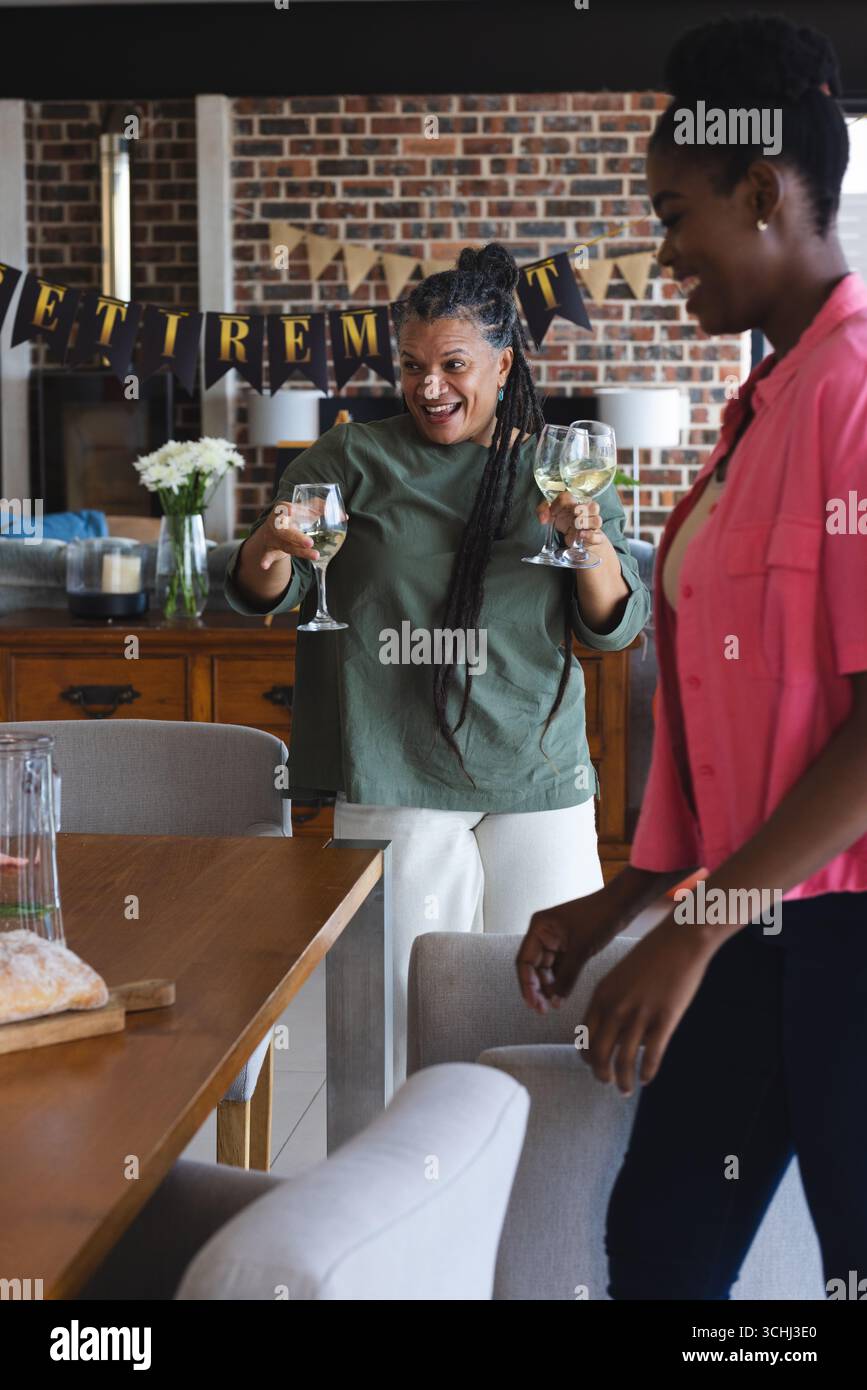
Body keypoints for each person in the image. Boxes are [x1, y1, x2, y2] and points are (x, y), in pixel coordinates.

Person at [517, 13, 867, 1301]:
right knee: (662, 1252)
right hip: (754, 923)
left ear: (764, 192)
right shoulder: (758, 413)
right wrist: (629, 899)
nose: (662, 255)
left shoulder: (858, 398)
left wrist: (695, 927)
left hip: (842, 938)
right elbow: (743, 727)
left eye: (675, 216)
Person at [225, 243, 650, 1082]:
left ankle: (533, 1187)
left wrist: (589, 542)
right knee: (389, 1025)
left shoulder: (557, 465)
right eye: (413, 366)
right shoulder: (351, 459)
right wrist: (271, 545)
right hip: (397, 771)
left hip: (534, 773)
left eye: (453, 365)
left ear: (500, 364)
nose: (430, 387)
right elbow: (261, 590)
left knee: (548, 1017)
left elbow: (610, 627)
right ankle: (399, 1190)